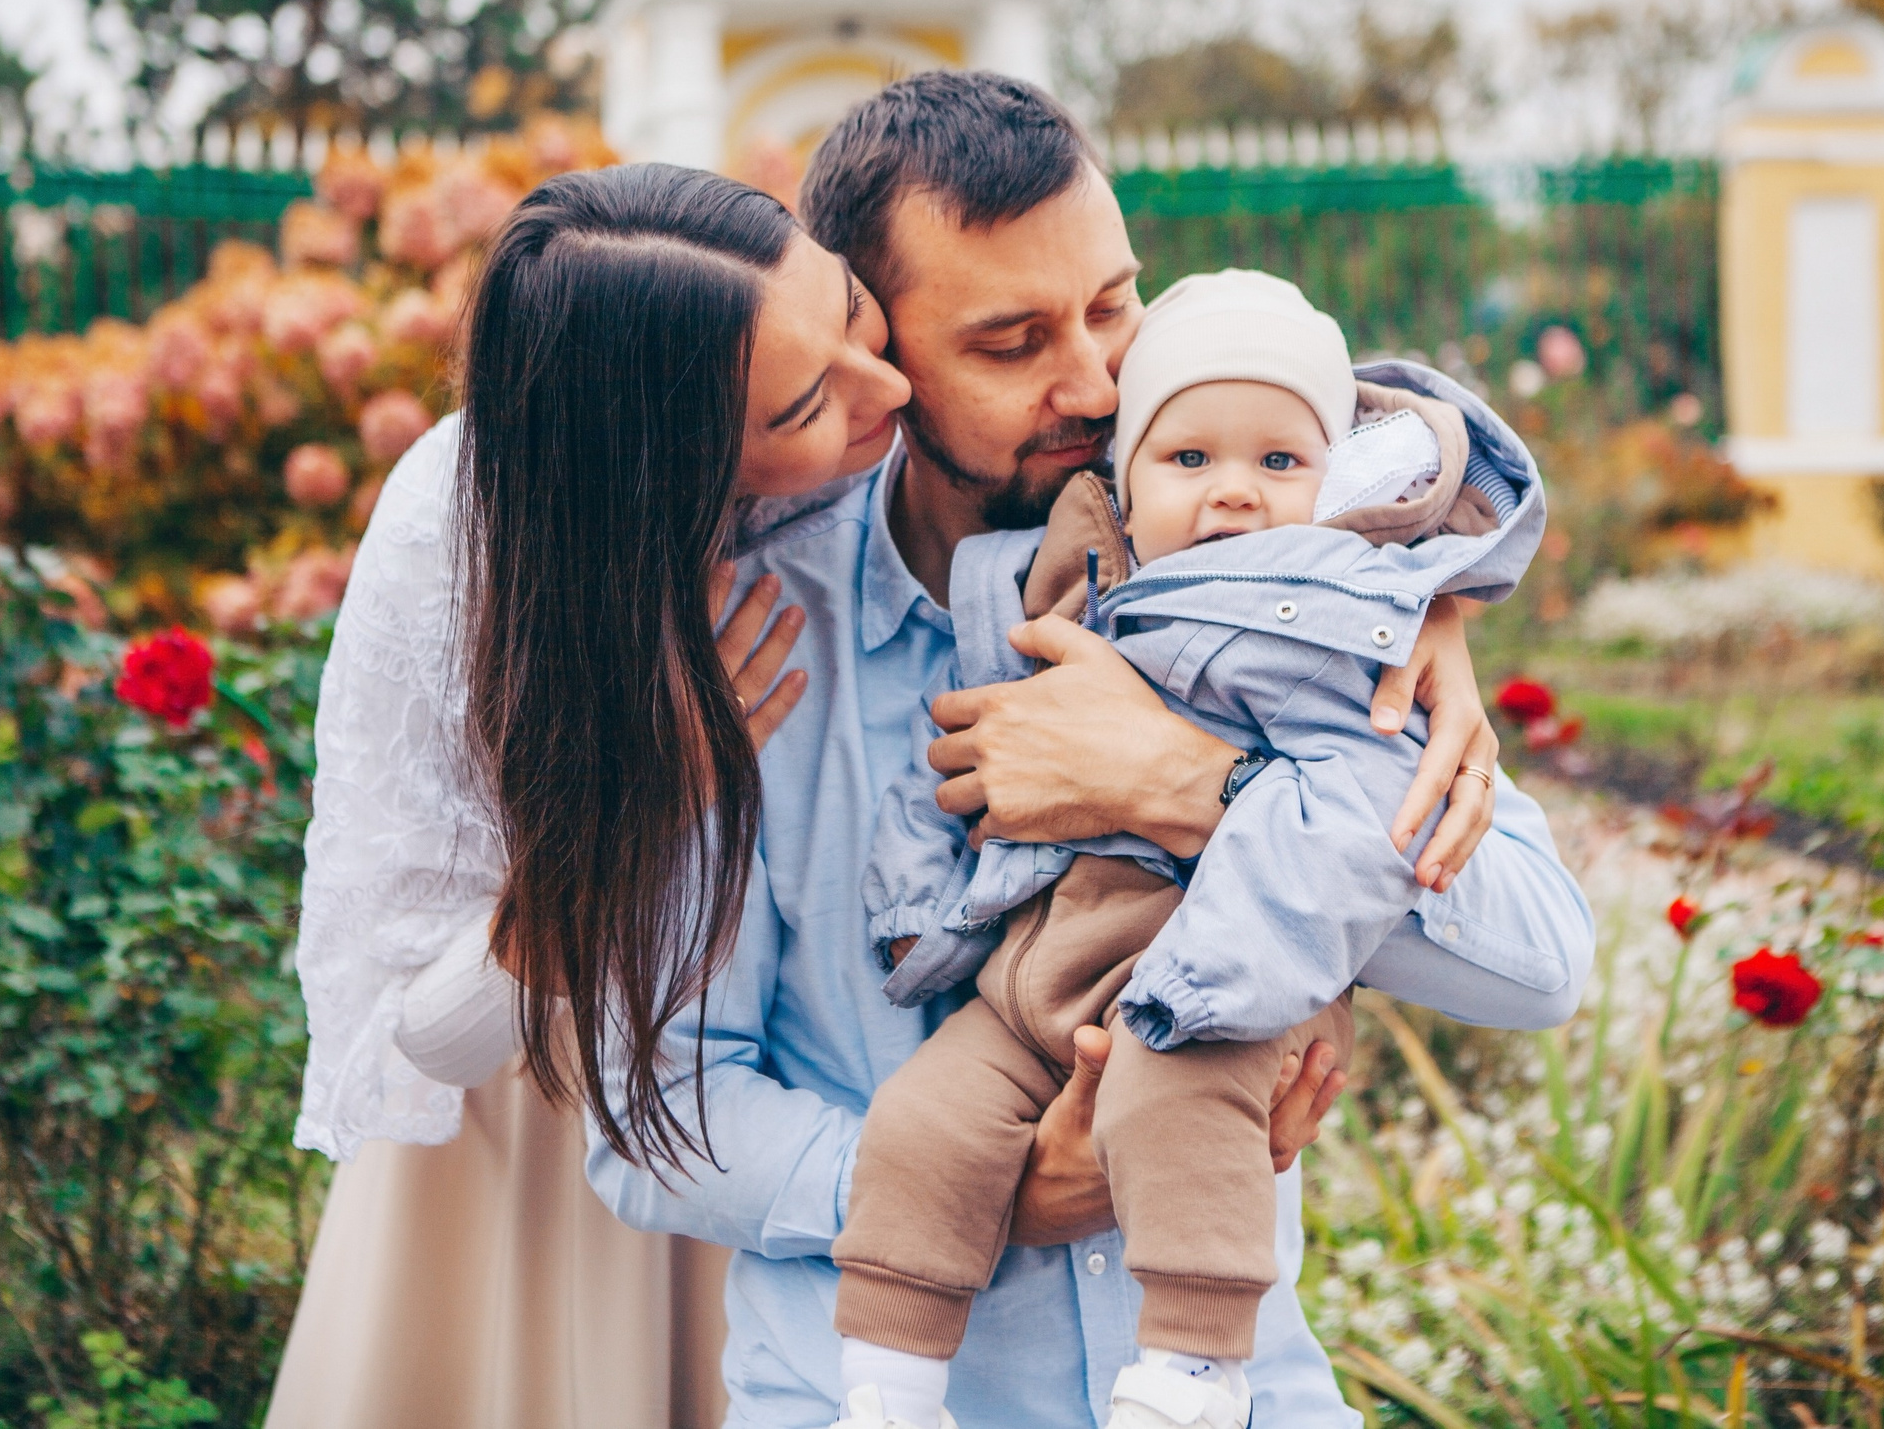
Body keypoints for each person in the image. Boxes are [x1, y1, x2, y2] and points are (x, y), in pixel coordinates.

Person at [585, 72, 1595, 1429]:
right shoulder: (743, 639)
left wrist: (1188, 787)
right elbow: (652, 1110)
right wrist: (988, 1188)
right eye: (1011, 341)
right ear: (884, 352)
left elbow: (1539, 960)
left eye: (1113, 304)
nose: (1099, 379)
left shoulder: (1304, 587)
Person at [829, 268, 1548, 1429]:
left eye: (1279, 464)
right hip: (1041, 973)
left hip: (1221, 978)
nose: (1234, 497)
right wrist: (920, 909)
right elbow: (956, 763)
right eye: (1189, 461)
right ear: (1121, 474)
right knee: (922, 1122)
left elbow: (1390, 834)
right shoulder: (1052, 586)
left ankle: (1194, 1375)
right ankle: (889, 1388)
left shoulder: (1339, 625)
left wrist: (1412, 616)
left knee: (1181, 1110)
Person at [271, 163, 910, 1429]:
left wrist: (1429, 579)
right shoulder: (460, 534)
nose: (884, 390)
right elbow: (432, 1031)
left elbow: (1231, 407)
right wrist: (646, 797)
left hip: (786, 1103)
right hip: (552, 1162)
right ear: (662, 465)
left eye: (849, 311)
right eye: (803, 408)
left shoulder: (873, 410)